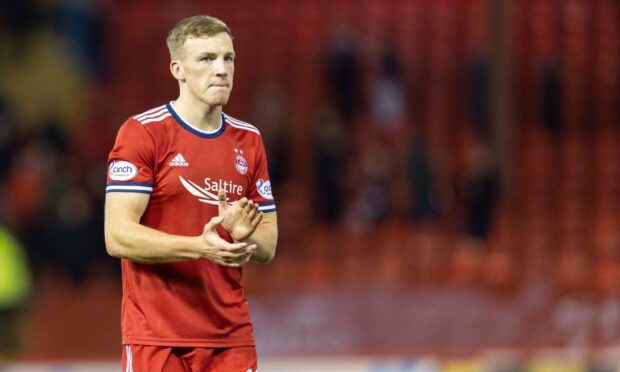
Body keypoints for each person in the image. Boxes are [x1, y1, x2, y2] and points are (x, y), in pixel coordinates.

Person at [104, 15, 277, 372]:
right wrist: (199, 246)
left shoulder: (250, 140)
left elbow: (268, 246)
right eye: (207, 59)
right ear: (178, 69)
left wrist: (246, 237)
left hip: (230, 338)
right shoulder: (143, 133)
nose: (221, 70)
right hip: (158, 338)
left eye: (228, 58)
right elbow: (117, 235)